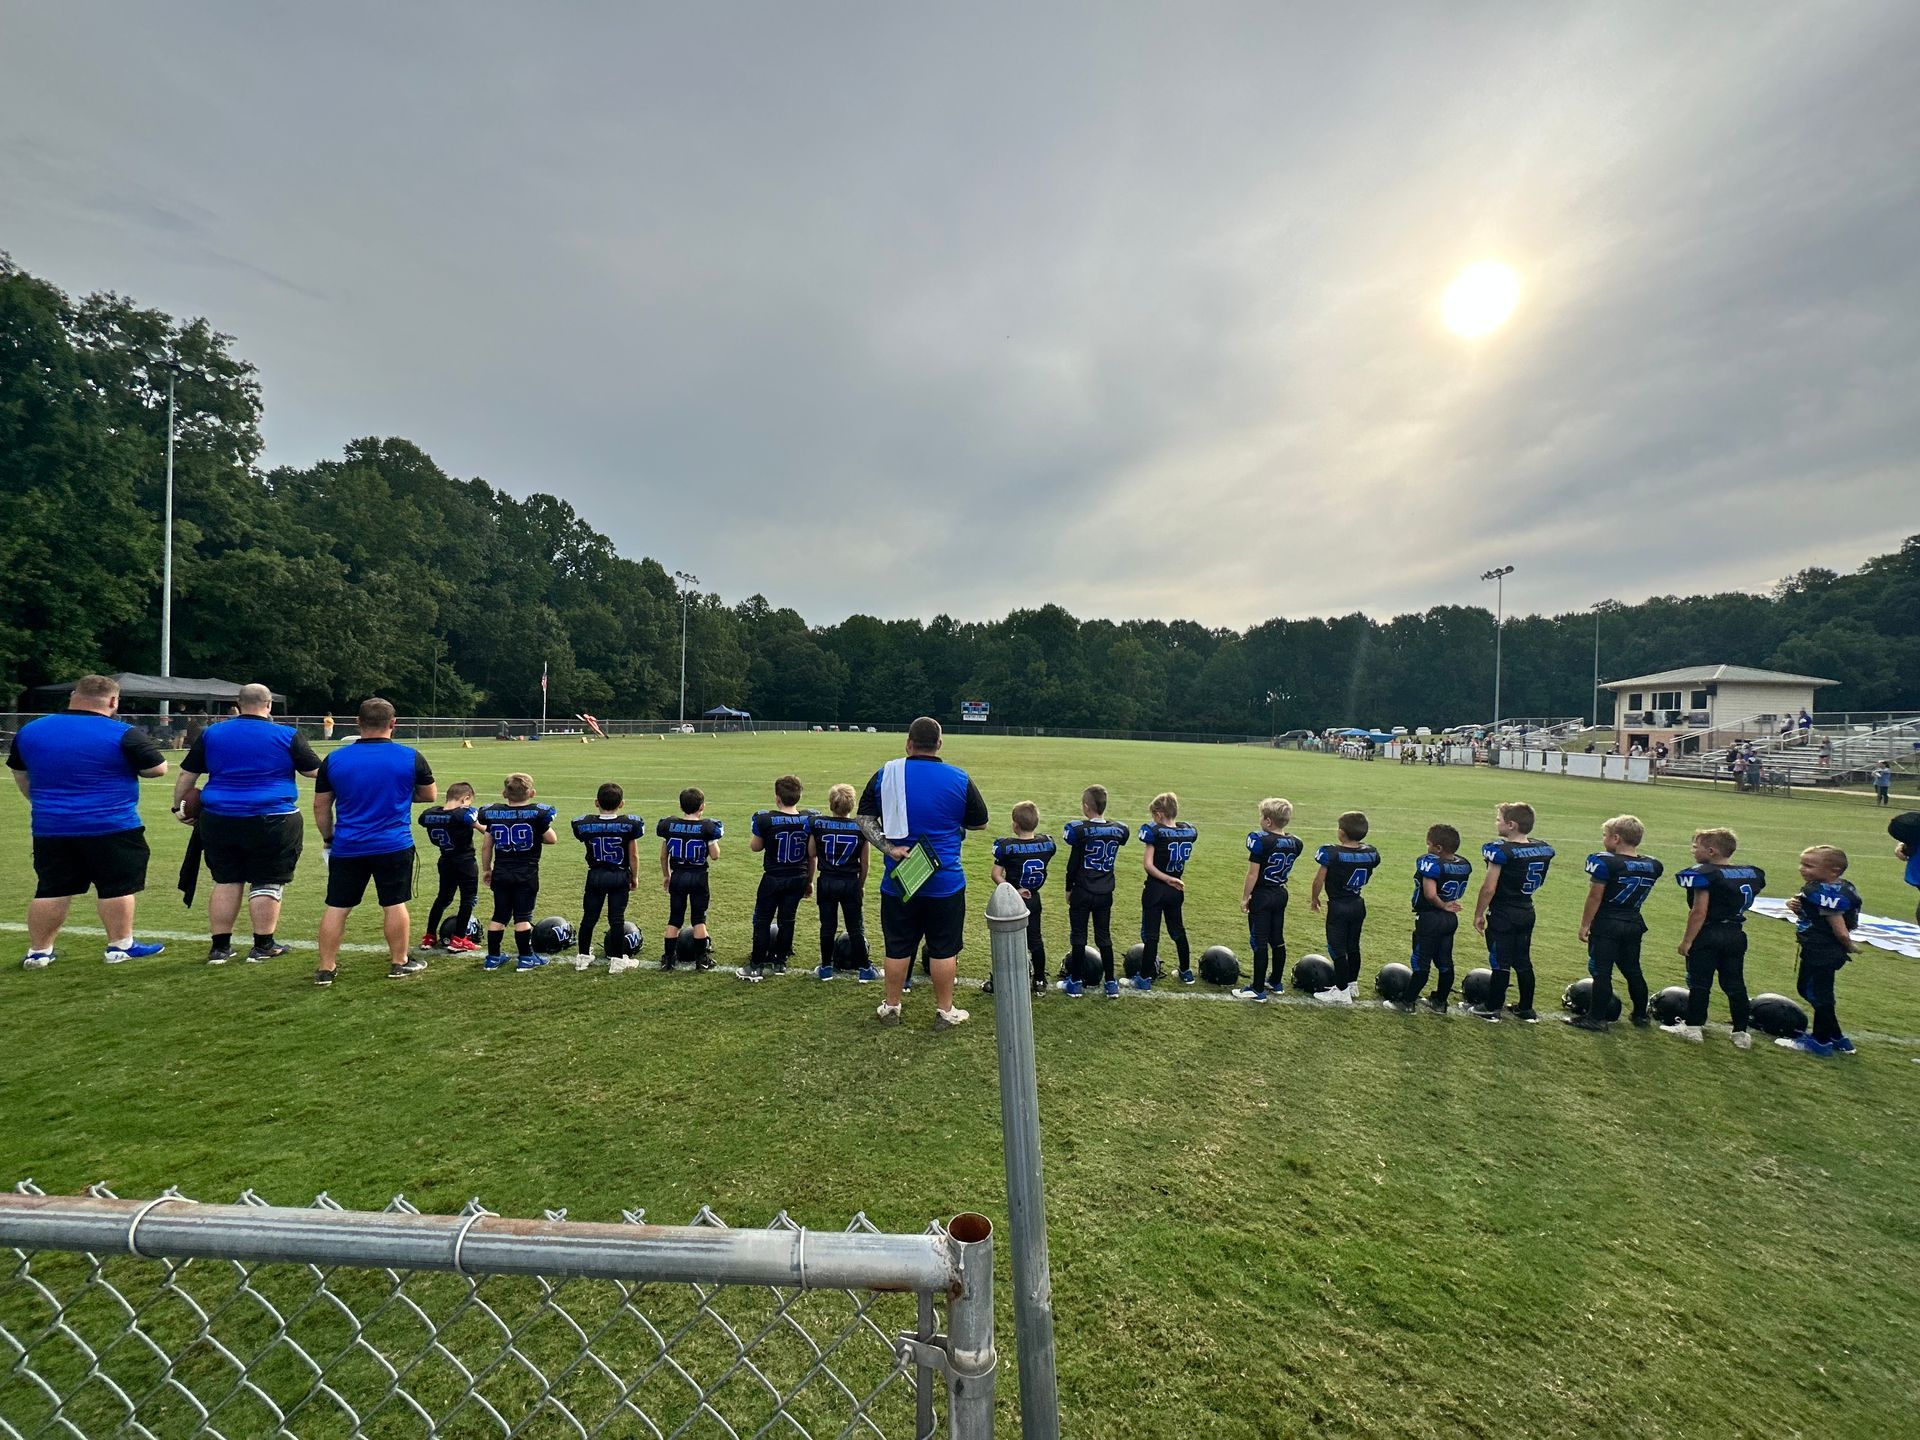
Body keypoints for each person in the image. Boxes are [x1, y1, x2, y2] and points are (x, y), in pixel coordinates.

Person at [8, 673, 169, 969]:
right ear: (113, 701)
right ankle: (120, 946)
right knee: (116, 886)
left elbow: (20, 773)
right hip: (111, 824)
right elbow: (157, 768)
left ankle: (38, 952)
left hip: (51, 826)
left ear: (73, 696)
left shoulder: (31, 730)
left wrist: (43, 803)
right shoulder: (122, 732)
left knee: (52, 888)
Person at [171, 682, 321, 965]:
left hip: (220, 817)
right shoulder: (286, 735)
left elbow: (187, 775)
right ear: (269, 705)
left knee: (226, 880)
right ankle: (263, 945)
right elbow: (315, 771)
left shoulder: (212, 733)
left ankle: (220, 948)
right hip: (273, 817)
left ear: (238, 705)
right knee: (268, 880)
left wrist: (178, 807)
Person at [855, 717, 990, 1027]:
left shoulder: (885, 774)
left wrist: (889, 847)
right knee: (944, 948)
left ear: (908, 743)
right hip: (945, 882)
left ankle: (892, 1006)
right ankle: (945, 1011)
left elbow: (864, 819)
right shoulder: (959, 777)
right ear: (939, 744)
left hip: (899, 879)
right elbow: (980, 822)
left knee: (898, 945)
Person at [312, 698, 436, 986]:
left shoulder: (335, 759)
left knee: (338, 906)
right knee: (394, 903)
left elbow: (321, 806)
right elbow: (429, 794)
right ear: (393, 723)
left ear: (358, 722)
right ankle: (399, 962)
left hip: (348, 845)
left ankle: (326, 968)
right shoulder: (410, 756)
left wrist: (329, 838)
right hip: (393, 844)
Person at [1665, 827, 1763, 1047]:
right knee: (1735, 984)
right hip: (1736, 933)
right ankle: (1741, 1032)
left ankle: (1693, 1027)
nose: (1692, 850)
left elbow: (1699, 911)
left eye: (1695, 847)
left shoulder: (1704, 874)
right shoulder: (1750, 873)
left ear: (1711, 851)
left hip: (1709, 933)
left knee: (1700, 982)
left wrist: (1687, 940)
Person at [1571, 815, 1662, 1032]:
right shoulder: (1652, 865)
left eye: (1605, 835)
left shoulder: (1605, 862)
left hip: (1608, 922)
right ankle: (1640, 1015)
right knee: (1633, 970)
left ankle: (1596, 1018)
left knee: (1601, 971)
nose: (1603, 839)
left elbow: (1595, 896)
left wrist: (1585, 924)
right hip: (1633, 921)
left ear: (1616, 838)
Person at [1471, 802, 1555, 1022]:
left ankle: (1492, 1007)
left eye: (1498, 819)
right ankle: (1526, 1008)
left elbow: (1489, 888)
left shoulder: (1501, 851)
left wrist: (1479, 913)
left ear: (1511, 825)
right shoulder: (1542, 848)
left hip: (1503, 912)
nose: (1496, 823)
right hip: (1526, 908)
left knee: (1500, 961)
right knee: (1523, 961)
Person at [1779, 845, 1861, 1057]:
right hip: (1823, 949)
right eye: (1802, 864)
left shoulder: (1826, 894)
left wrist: (1848, 945)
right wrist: (1796, 905)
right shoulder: (1834, 887)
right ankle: (1838, 1037)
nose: (1802, 869)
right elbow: (1810, 910)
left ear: (1833, 871)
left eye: (1809, 865)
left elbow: (1839, 928)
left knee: (1813, 993)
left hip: (1821, 950)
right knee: (1821, 993)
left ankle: (1819, 1041)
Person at [476, 772, 558, 972]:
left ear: (504, 793)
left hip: (501, 871)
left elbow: (486, 846)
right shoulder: (536, 814)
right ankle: (526, 957)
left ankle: (493, 958)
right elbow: (551, 839)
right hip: (526, 872)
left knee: (499, 915)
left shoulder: (494, 814)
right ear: (531, 793)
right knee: (522, 916)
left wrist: (487, 869)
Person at [1060, 785, 1130, 998]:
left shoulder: (1079, 831)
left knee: (1079, 936)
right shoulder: (1118, 830)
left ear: (1086, 807)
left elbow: (1073, 864)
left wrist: (1068, 888)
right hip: (1105, 892)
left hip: (1082, 890)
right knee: (1104, 937)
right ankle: (1111, 983)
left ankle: (1075, 982)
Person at [745, 774, 813, 980]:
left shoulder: (765, 819)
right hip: (798, 876)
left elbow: (755, 847)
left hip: (773, 877)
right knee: (787, 919)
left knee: (763, 919)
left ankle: (756, 963)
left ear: (777, 798)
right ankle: (780, 962)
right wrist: (810, 880)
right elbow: (812, 855)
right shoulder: (809, 819)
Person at [1234, 797, 1303, 1001]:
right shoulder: (1295, 842)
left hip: (1263, 895)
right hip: (1280, 893)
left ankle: (1257, 989)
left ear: (1268, 821)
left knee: (1259, 941)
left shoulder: (1260, 840)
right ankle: (1276, 982)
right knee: (1277, 940)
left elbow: (1253, 874)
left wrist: (1245, 897)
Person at [1308, 811, 1380, 1005]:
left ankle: (1341, 991)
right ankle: (1352, 984)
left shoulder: (1331, 853)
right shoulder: (1371, 853)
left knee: (1337, 948)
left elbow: (1319, 880)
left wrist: (1314, 898)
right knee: (1353, 946)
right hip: (1357, 903)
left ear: (1341, 832)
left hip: (1339, 905)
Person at [572, 782, 645, 971]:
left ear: (597, 802)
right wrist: (635, 877)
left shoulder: (585, 824)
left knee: (589, 917)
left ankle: (582, 957)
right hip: (619, 875)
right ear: (621, 804)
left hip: (595, 875)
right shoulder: (629, 824)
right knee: (617, 918)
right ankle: (618, 960)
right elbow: (633, 855)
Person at [989, 802, 1056, 997]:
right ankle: (1040, 979)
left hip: (1012, 900)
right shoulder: (1048, 844)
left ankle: (999, 980)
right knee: (1035, 940)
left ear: (1015, 825)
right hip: (1033, 898)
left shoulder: (1006, 846)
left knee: (1007, 940)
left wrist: (1014, 890)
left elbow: (996, 874)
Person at [1404, 824, 1472, 1012]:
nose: (1428, 848)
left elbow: (1430, 894)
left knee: (1421, 961)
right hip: (1450, 919)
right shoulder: (1462, 864)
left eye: (1429, 844)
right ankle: (1440, 1002)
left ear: (1438, 848)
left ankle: (1407, 1002)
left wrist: (1442, 905)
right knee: (1445, 961)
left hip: (1430, 917)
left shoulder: (1431, 863)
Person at [1136, 792, 1198, 988]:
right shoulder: (1187, 831)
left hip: (1157, 888)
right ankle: (1186, 971)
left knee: (1151, 934)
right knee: (1178, 930)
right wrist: (1172, 878)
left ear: (1159, 814)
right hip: (1176, 888)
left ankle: (1144, 978)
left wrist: (1166, 878)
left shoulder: (1155, 832)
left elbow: (1148, 865)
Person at [811, 783, 871, 981]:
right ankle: (865, 969)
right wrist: (861, 885)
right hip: (850, 882)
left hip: (827, 881)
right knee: (855, 927)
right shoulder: (860, 827)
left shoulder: (818, 824)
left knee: (827, 926)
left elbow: (811, 852)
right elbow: (865, 863)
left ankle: (826, 967)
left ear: (831, 805)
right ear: (852, 805)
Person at [658, 789, 723, 970]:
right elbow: (715, 855)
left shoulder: (669, 826)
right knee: (698, 919)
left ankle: (668, 960)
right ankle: (701, 960)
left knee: (675, 919)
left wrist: (666, 875)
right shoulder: (707, 827)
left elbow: (663, 856)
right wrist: (711, 841)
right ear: (702, 806)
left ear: (681, 806)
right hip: (698, 877)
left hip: (678, 876)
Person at [419, 782, 482, 952]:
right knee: (468, 899)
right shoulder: (464, 814)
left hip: (445, 860)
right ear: (465, 799)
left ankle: (429, 936)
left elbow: (423, 819)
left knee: (443, 898)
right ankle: (459, 939)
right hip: (465, 862)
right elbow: (476, 823)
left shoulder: (430, 814)